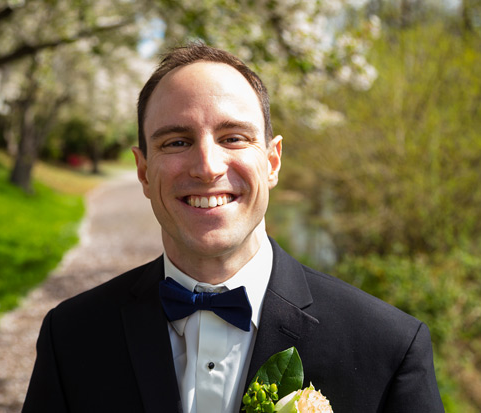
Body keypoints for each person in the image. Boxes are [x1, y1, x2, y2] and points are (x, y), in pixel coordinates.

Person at [22, 43, 442, 412]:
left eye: (234, 137)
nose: (207, 167)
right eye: (176, 142)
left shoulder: (388, 348)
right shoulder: (71, 337)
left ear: (272, 162)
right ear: (144, 171)